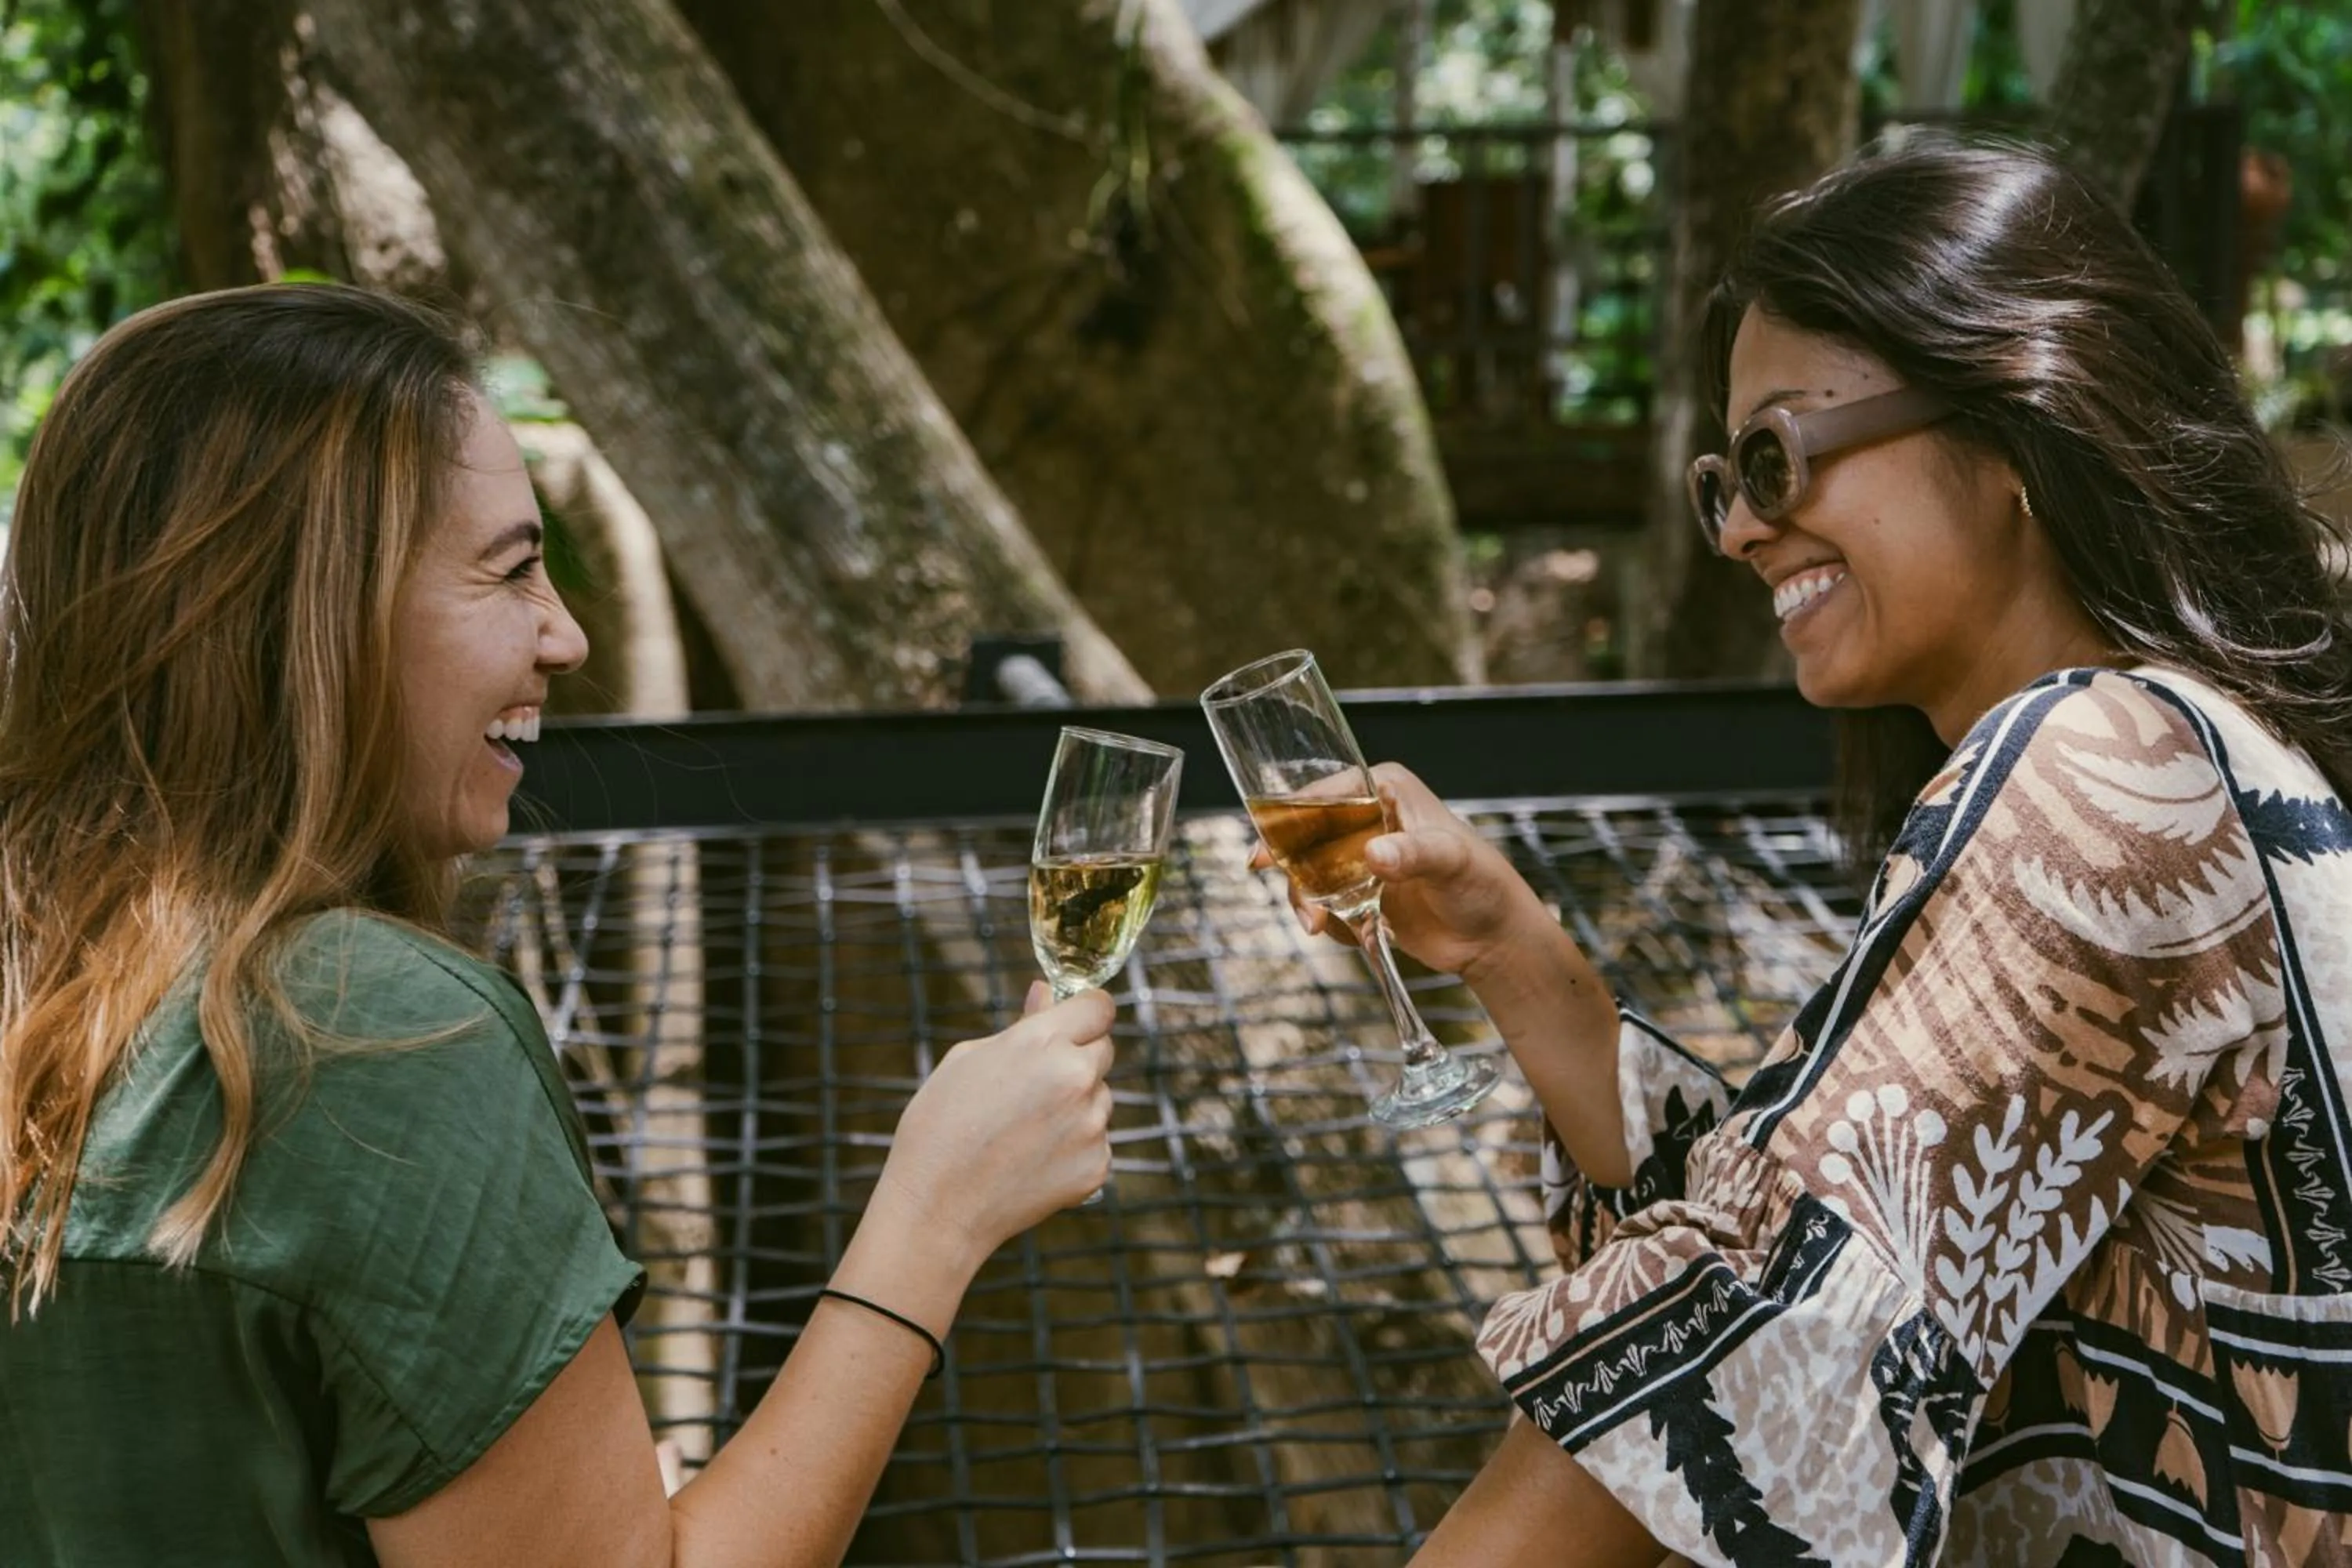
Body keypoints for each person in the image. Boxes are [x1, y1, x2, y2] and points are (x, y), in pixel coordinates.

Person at [1265, 140, 2352, 1565]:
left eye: (1775, 457)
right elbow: (1803, 1215)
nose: (1739, 530)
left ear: (2017, 425)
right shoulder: (2158, 751)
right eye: (1725, 477)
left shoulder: (2106, 776)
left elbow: (1750, 1327)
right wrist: (1506, 949)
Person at [0, 283, 1117, 1567]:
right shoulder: (371, 1037)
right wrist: (935, 1217)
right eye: (512, 569)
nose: (567, 636)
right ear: (316, 604)